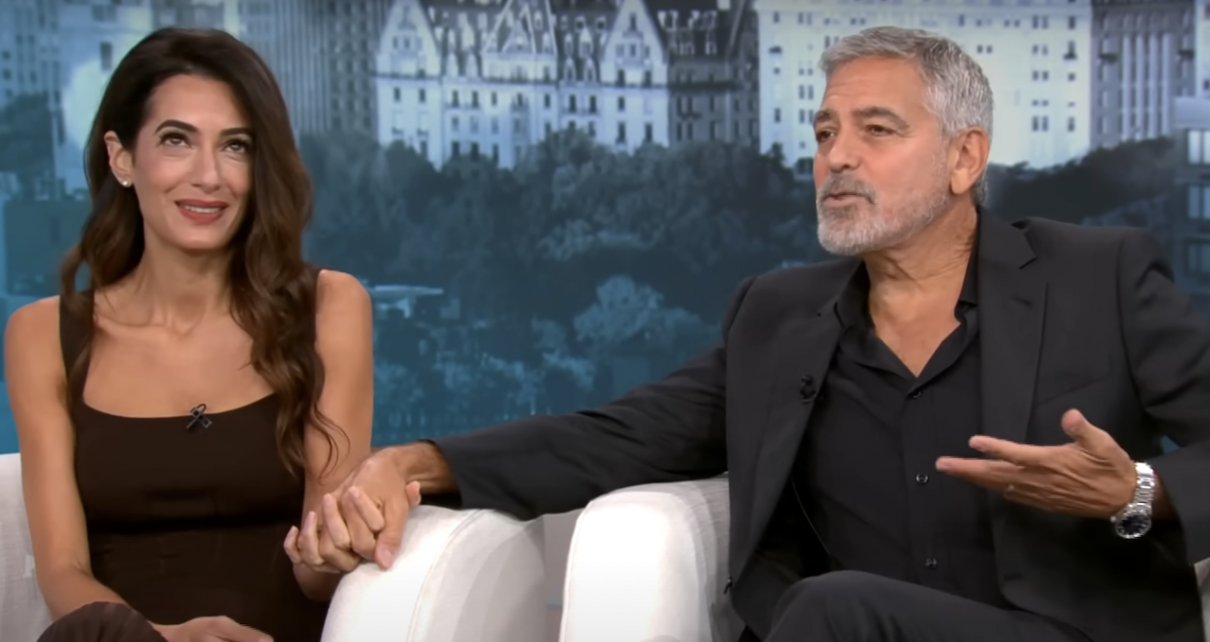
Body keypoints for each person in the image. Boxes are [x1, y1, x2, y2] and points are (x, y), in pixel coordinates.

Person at [309, 26, 1208, 642]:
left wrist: (1138, 488)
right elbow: (621, 435)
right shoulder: (779, 318)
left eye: (876, 130)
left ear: (964, 157)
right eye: (824, 132)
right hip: (841, 632)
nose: (837, 156)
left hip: (1063, 629)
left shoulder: (1099, 276)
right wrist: (418, 462)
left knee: (832, 610)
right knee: (828, 610)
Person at [4, 28, 375, 642]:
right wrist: (166, 639)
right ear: (122, 157)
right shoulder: (42, 334)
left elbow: (319, 569)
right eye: (176, 140)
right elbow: (63, 570)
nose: (210, 175)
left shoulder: (330, 308)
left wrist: (333, 553)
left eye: (235, 146)